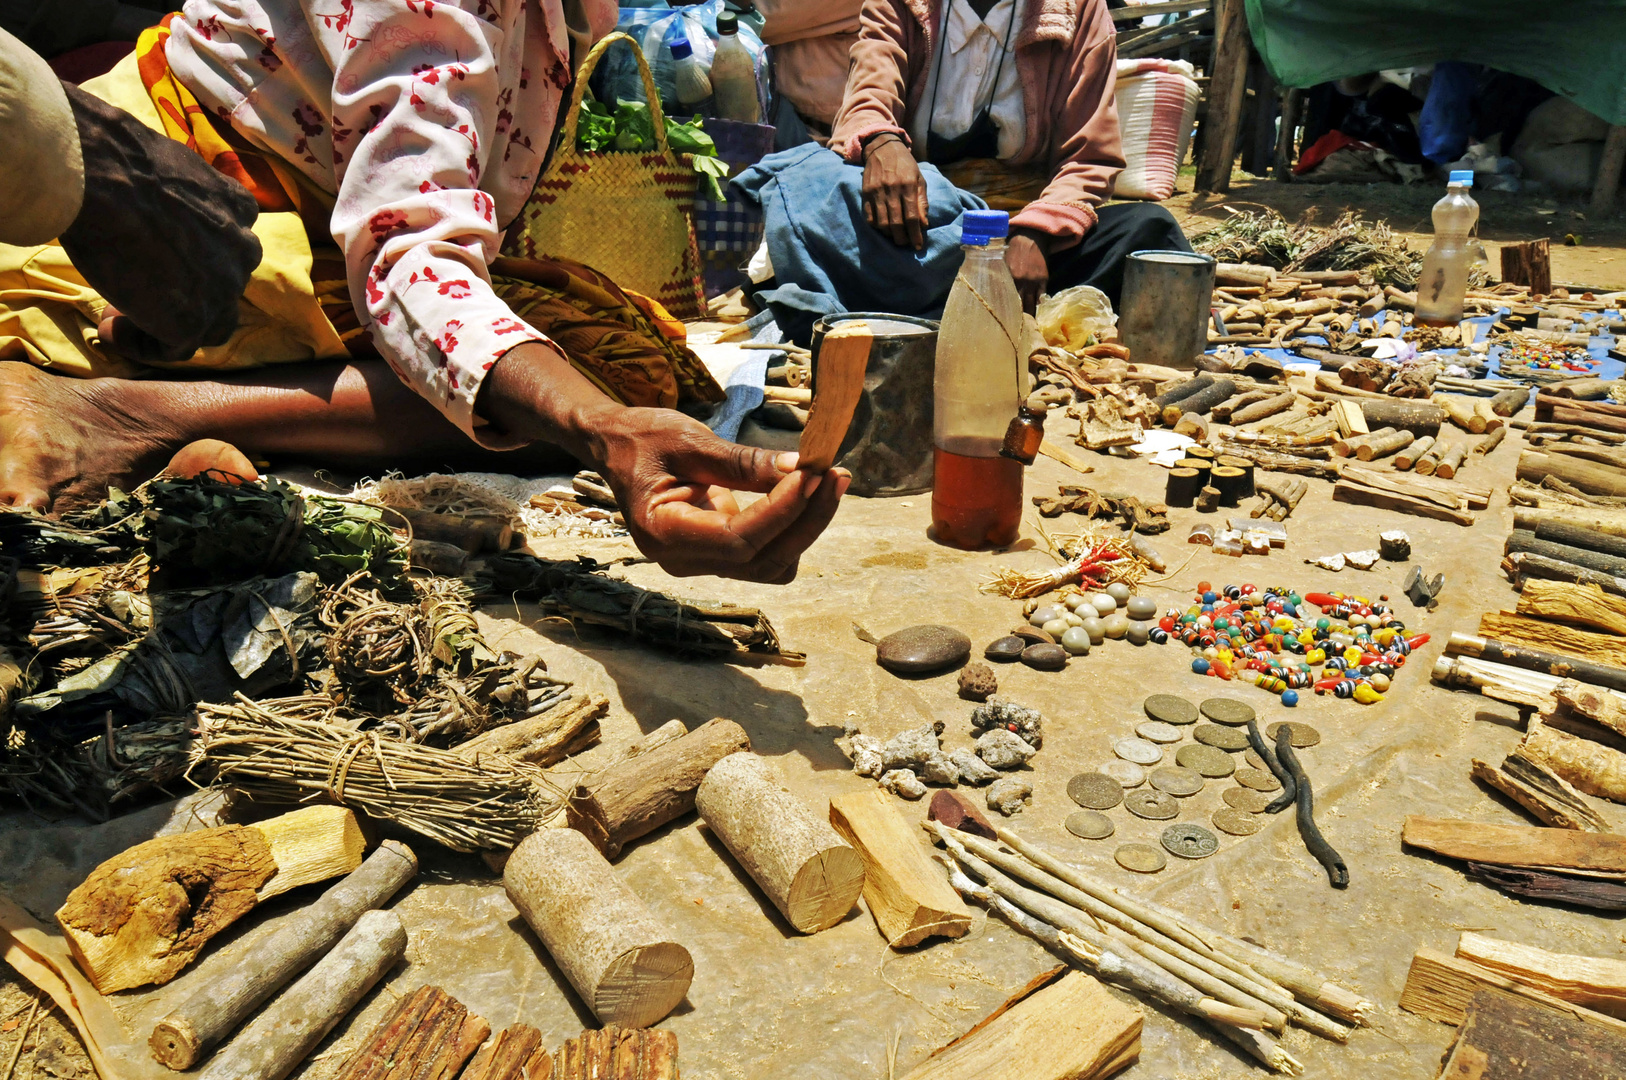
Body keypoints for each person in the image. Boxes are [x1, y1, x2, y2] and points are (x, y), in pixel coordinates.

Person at [0, 1, 845, 585]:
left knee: (606, 355)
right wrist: (601, 429)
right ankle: (141, 411)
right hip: (161, 221)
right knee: (598, 384)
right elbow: (406, 249)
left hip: (304, 215)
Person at [829, 0, 1192, 312]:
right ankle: (955, 308)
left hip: (1016, 237)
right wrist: (881, 142)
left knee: (1148, 230)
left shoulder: (1076, 10)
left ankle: (934, 307)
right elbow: (869, 92)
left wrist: (1037, 232)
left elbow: (1089, 157)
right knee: (816, 194)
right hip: (917, 228)